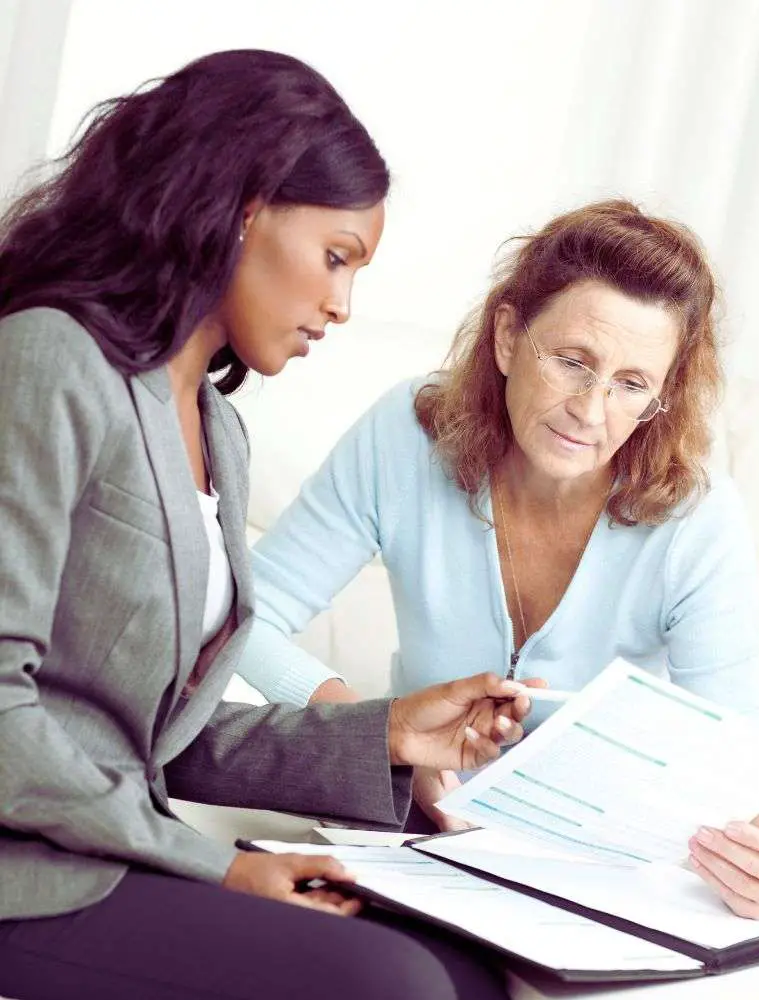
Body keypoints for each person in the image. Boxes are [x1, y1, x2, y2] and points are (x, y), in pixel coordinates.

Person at [0, 49, 542, 1000]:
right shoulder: (49, 360)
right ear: (242, 207)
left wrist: (388, 738)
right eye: (336, 258)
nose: (342, 304)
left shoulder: (218, 429)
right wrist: (214, 866)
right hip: (28, 875)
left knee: (470, 968)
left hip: (112, 846)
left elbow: (159, 736)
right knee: (392, 987)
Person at [239, 198, 759, 919]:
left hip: (596, 870)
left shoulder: (697, 517)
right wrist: (381, 733)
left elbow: (737, 758)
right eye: (572, 361)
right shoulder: (407, 437)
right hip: (413, 836)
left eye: (632, 384)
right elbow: (241, 618)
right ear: (508, 337)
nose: (592, 410)